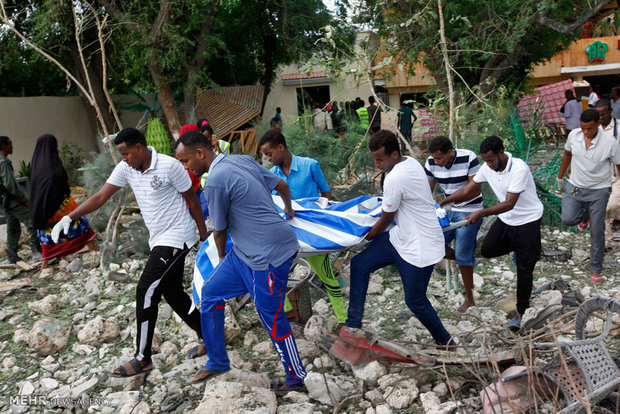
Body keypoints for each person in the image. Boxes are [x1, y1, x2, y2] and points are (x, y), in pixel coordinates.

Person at [51, 127, 209, 376]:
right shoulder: (127, 168)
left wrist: (202, 234)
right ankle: (209, 336)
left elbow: (191, 199)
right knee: (172, 290)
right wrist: (70, 217)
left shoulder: (169, 166)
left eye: (126, 153)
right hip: (158, 239)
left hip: (178, 235)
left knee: (146, 290)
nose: (124, 158)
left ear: (139, 148)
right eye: (121, 154)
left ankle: (143, 357)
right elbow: (101, 196)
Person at [174, 131, 307, 394]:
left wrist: (223, 259)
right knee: (211, 293)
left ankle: (296, 377)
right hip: (247, 252)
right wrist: (288, 211)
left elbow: (219, 231)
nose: (185, 167)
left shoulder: (214, 181)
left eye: (186, 161)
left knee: (271, 316)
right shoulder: (241, 159)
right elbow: (281, 186)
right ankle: (218, 361)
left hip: (267, 257)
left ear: (200, 153)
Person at [344, 130, 454, 348]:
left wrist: (367, 237)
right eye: (374, 159)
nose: (376, 164)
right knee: (359, 264)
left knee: (415, 301)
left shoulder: (395, 177)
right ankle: (353, 324)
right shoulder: (409, 162)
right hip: (400, 238)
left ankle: (446, 341)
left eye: (380, 160)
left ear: (395, 154)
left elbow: (386, 217)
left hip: (419, 246)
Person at [440, 136, 543, 330]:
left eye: (491, 160)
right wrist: (444, 202)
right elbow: (470, 188)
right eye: (485, 161)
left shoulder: (519, 168)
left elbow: (509, 203)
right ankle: (519, 250)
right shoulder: (487, 168)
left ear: (501, 153)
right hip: (507, 220)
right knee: (487, 250)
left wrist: (481, 212)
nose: (488, 165)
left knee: (525, 269)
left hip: (528, 220)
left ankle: (521, 312)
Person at [259, 130, 346, 324]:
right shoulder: (272, 175)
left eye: (269, 154)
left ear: (281, 148)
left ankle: (343, 318)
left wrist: (325, 225)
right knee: (275, 274)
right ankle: (286, 316)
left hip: (312, 234)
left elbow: (326, 195)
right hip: (286, 234)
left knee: (327, 276)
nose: (267, 158)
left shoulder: (310, 165)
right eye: (265, 155)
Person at [557, 109, 620, 285]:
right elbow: (567, 155)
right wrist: (560, 177)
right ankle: (585, 215)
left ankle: (595, 269)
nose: (586, 132)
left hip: (599, 190)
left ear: (598, 124)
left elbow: (618, 165)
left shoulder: (610, 143)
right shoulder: (574, 136)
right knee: (568, 218)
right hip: (576, 186)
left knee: (597, 231)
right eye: (583, 128)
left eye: (589, 128)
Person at [425, 136, 482, 313]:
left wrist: (444, 201)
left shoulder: (469, 157)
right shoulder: (430, 162)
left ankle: (469, 298)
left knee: (463, 252)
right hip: (447, 211)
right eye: (434, 158)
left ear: (450, 152)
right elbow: (428, 190)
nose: (436, 161)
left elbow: (474, 189)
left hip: (470, 210)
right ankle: (464, 259)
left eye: (439, 158)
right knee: (433, 244)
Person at [29, 134, 96, 269]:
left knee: (47, 233)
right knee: (79, 221)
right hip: (60, 204)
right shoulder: (54, 162)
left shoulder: (35, 166)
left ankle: (45, 262)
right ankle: (91, 246)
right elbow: (64, 181)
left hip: (42, 209)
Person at [0, 136, 40, 263]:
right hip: (12, 200)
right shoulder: (3, 162)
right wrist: (24, 199)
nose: (12, 147)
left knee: (13, 226)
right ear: (4, 146)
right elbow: (10, 185)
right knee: (33, 220)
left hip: (4, 202)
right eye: (10, 144)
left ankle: (12, 254)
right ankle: (36, 250)